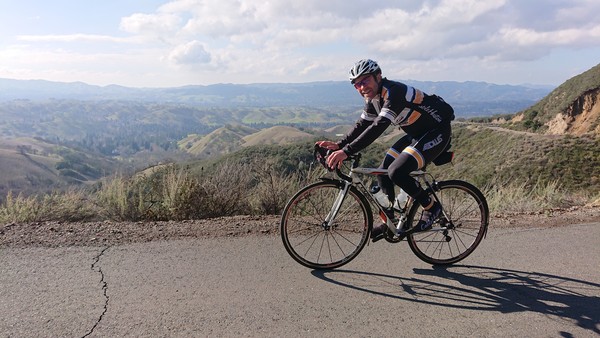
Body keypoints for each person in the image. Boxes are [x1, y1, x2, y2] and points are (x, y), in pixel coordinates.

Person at [316, 59, 455, 242]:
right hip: (416, 135)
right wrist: (339, 145)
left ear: (378, 76)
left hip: (436, 133)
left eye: (365, 80)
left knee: (396, 171)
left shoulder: (393, 92)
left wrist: (346, 151)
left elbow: (378, 126)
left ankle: (431, 207)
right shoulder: (373, 99)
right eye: (356, 84)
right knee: (382, 173)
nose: (361, 87)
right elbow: (363, 125)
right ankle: (391, 221)